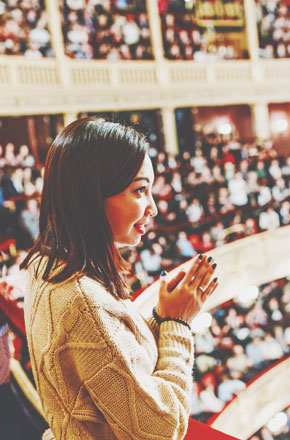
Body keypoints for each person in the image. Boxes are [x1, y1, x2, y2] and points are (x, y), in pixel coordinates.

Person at [20, 117, 220, 439]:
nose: (153, 208)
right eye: (140, 190)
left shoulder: (47, 262)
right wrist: (177, 324)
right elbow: (160, 428)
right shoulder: (82, 302)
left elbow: (109, 364)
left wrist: (160, 317)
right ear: (91, 194)